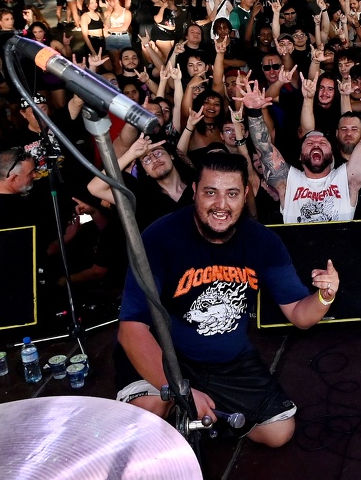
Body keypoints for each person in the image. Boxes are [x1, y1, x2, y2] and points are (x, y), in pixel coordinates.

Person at [113, 153, 340, 448]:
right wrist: (180, 390)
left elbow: (300, 315)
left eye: (232, 193)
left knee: (279, 433)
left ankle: (204, 411)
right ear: (194, 191)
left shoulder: (262, 241)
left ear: (245, 195)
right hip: (168, 355)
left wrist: (325, 296)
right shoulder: (159, 237)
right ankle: (181, 409)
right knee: (149, 412)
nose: (221, 205)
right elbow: (131, 330)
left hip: (229, 362)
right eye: (211, 192)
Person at [240, 77, 361, 223]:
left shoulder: (346, 178)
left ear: (332, 154)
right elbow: (264, 149)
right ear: (300, 157)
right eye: (309, 143)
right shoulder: (287, 181)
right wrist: (254, 112)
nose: (315, 144)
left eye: (322, 142)